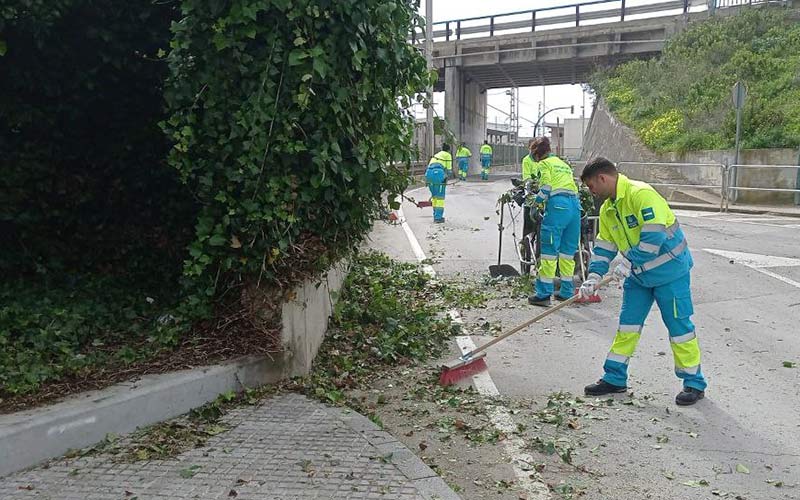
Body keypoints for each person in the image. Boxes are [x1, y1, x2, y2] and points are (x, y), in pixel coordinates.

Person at [578, 157, 707, 406]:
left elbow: (653, 237)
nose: (590, 192)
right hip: (638, 277)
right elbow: (605, 246)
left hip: (670, 274)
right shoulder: (608, 210)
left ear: (603, 178)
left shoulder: (641, 194)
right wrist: (593, 277)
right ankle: (614, 378)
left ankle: (694, 383)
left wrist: (628, 263)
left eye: (591, 186)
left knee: (680, 329)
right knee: (627, 327)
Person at [527, 137, 581, 306]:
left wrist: (536, 204)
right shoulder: (563, 164)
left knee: (549, 252)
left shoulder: (544, 164)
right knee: (567, 252)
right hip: (575, 207)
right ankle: (566, 291)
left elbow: (546, 188)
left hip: (558, 207)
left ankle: (544, 294)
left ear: (536, 153)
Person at [425, 144, 451, 223]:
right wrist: (445, 178)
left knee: (434, 196)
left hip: (428, 173)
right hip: (438, 173)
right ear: (448, 150)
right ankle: (438, 217)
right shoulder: (447, 155)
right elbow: (449, 170)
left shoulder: (436, 155)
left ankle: (435, 215)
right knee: (440, 197)